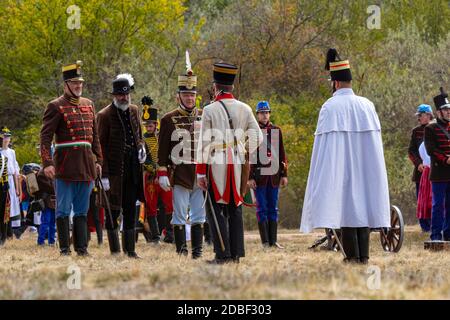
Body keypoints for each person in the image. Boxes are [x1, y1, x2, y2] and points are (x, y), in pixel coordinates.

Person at [300, 48, 391, 264]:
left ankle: (352, 256)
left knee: (349, 211)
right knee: (361, 209)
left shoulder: (330, 107)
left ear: (336, 83)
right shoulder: (367, 105)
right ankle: (363, 256)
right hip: (365, 169)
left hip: (341, 169)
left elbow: (323, 149)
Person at [196, 62, 263, 264]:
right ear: (231, 87)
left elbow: (204, 143)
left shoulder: (209, 110)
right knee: (235, 208)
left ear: (216, 87)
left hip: (216, 162)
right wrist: (242, 150)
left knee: (215, 209)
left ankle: (222, 254)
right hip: (238, 161)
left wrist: (200, 172)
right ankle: (236, 254)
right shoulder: (245, 108)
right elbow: (258, 137)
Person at [40, 60, 103, 256]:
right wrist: (47, 163)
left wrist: (99, 160)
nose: (78, 86)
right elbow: (45, 136)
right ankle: (65, 249)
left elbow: (95, 137)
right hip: (65, 167)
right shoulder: (55, 106)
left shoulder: (89, 104)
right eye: (74, 83)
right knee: (63, 210)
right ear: (66, 84)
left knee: (83, 210)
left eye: (80, 83)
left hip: (86, 166)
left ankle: (82, 248)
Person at [157, 54, 206, 259]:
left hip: (200, 173)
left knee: (199, 214)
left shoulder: (204, 115)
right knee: (178, 214)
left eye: (192, 95)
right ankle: (180, 250)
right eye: (185, 95)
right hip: (179, 173)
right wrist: (162, 173)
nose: (189, 98)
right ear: (178, 96)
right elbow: (162, 149)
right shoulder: (169, 119)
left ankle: (197, 251)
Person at [96, 73, 146, 258]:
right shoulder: (104, 115)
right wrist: (105, 175)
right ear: (114, 95)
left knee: (131, 208)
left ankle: (130, 250)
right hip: (114, 172)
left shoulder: (134, 110)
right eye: (120, 95)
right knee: (112, 210)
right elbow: (99, 146)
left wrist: (141, 148)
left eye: (126, 94)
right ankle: (115, 251)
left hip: (133, 168)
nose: (124, 98)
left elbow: (138, 135)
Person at [248, 101, 288, 249]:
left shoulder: (276, 130)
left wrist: (284, 174)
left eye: (266, 112)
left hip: (274, 176)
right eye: (261, 113)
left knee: (273, 208)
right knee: (262, 208)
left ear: (269, 113)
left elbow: (282, 153)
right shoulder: (253, 132)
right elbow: (250, 156)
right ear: (257, 115)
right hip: (259, 177)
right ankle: (265, 242)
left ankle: (273, 240)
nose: (264, 115)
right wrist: (250, 177)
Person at [141, 96, 174, 244]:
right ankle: (155, 236)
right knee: (151, 206)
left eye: (151, 125)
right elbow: (142, 159)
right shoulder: (141, 141)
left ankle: (169, 234)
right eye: (146, 125)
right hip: (149, 177)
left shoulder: (161, 138)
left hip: (163, 174)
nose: (149, 128)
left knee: (169, 203)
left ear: (156, 124)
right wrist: (153, 169)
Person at [424, 87, 450, 242]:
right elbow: (431, 150)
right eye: (445, 110)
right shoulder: (430, 128)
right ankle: (435, 235)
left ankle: (448, 234)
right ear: (439, 112)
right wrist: (445, 159)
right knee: (438, 206)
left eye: (449, 109)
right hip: (439, 174)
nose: (448, 112)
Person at [408, 104, 434, 231]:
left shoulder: (437, 128)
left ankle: (435, 224)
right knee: (421, 199)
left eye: (420, 115)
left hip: (436, 171)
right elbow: (411, 151)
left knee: (435, 199)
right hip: (420, 172)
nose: (418, 118)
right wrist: (418, 164)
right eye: (418, 116)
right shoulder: (416, 131)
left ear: (428, 115)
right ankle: (424, 226)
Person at [0, 127, 21, 236]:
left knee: (11, 206)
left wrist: (17, 188)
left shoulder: (12, 152)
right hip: (1, 180)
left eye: (8, 137)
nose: (6, 139)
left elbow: (15, 172)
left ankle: (9, 232)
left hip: (11, 182)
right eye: (4, 136)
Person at [0, 132, 9, 246]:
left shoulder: (3, 158)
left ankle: (2, 237)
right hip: (3, 186)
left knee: (3, 212)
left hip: (2, 187)